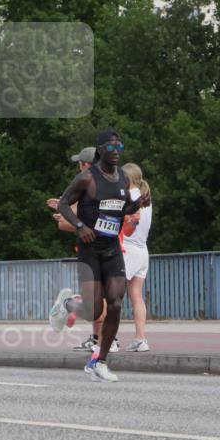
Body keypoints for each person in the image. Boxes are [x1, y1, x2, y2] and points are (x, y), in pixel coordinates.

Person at [49, 130, 149, 382]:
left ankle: (101, 362)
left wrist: (137, 204)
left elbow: (122, 209)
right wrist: (80, 226)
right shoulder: (87, 178)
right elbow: (63, 203)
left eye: (120, 147)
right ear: (100, 150)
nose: (116, 152)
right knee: (94, 310)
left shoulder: (123, 177)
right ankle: (67, 304)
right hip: (90, 249)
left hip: (112, 249)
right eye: (111, 147)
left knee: (115, 303)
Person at [46, 147, 114, 353]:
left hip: (112, 250)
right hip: (93, 252)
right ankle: (71, 306)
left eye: (80, 163)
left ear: (86, 164)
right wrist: (68, 216)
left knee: (107, 302)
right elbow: (65, 223)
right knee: (100, 305)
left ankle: (98, 338)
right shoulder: (83, 187)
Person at [121, 163, 152, 352]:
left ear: (127, 179)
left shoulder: (128, 197)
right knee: (136, 295)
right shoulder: (145, 197)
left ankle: (109, 339)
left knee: (112, 294)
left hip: (128, 248)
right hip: (142, 250)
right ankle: (141, 339)